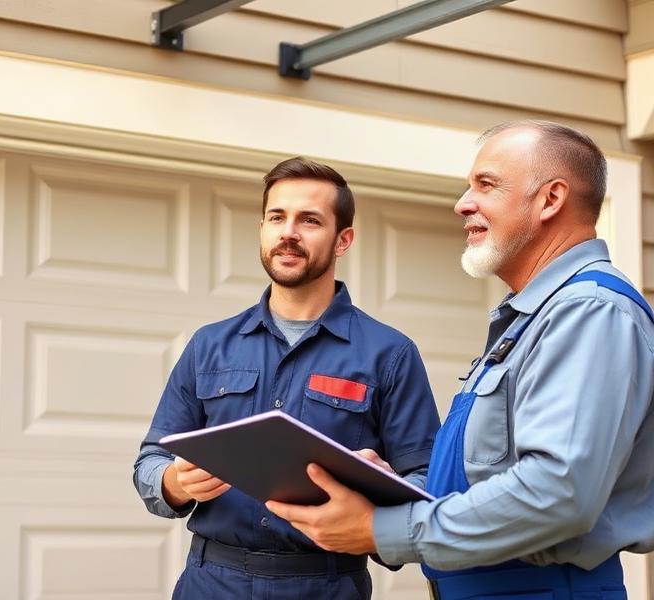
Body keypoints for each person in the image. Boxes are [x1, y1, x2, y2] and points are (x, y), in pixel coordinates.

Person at [267, 121, 654, 599]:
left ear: (551, 200)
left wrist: (382, 529)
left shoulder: (589, 311)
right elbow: (493, 474)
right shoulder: (533, 318)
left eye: (485, 185)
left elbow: (558, 494)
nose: (462, 203)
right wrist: (389, 490)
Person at [133, 157, 441, 599]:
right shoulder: (209, 345)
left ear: (343, 240)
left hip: (327, 584)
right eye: (277, 217)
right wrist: (175, 483)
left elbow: (427, 479)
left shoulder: (390, 354)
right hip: (211, 582)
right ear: (262, 228)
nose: (289, 232)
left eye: (310, 220)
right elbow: (150, 461)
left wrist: (381, 496)